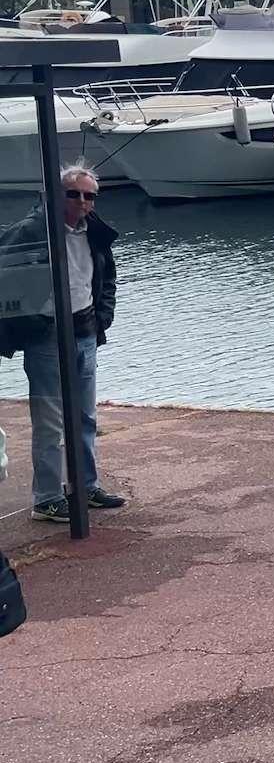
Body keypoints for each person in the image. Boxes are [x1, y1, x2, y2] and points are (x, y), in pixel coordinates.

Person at [0, 166, 126, 524]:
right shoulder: (30, 230)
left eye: (89, 195)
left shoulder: (94, 231)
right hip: (47, 337)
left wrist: (103, 316)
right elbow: (5, 280)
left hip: (85, 332)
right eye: (74, 193)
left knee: (85, 417)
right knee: (50, 422)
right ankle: (47, 498)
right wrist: (32, 321)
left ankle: (85, 486)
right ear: (57, 195)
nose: (82, 201)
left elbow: (107, 276)